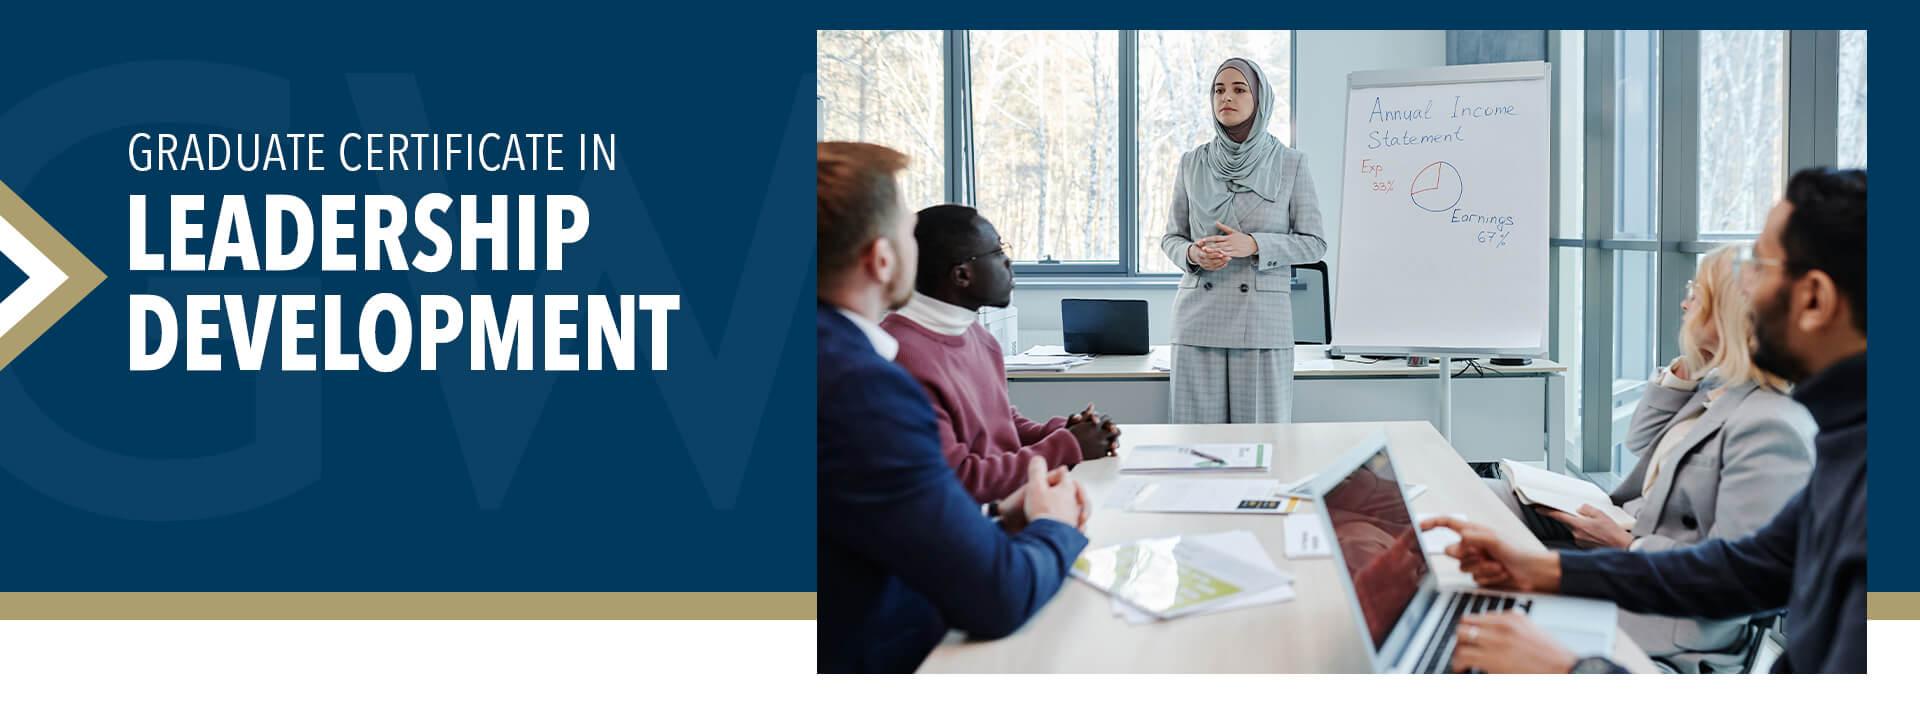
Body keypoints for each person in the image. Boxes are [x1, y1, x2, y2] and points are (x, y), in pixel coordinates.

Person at [1424, 167, 1866, 674]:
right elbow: (1740, 571)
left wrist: (1572, 673)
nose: (1744, 288)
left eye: (1759, 266)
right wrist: (1541, 569)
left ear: (1814, 299)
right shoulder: (1847, 440)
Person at [816, 142, 1092, 674]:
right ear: (882, 259)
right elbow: (999, 595)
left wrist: (989, 523)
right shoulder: (861, 390)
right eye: (908, 232)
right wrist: (1055, 524)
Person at [1483, 245, 1815, 670]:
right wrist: (1688, 367)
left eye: (1696, 293)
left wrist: (1627, 544)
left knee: (1485, 604)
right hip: (1630, 538)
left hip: (1668, 619)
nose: (1684, 304)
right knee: (1480, 500)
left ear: (1727, 313)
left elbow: (1734, 575)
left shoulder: (1771, 424)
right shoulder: (1721, 386)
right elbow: (1640, 439)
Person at [882, 204, 1122, 503]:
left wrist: (1064, 432)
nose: (1009, 262)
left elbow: (1002, 426)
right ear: (962, 275)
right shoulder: (899, 357)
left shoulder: (978, 337)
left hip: (999, 511)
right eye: (997, 252)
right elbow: (960, 479)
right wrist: (1067, 446)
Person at [1159, 57, 1327, 424]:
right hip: (1197, 321)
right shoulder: (1192, 162)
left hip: (1262, 324)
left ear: (1260, 99)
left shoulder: (1290, 164)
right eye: (1218, 90)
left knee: (1260, 445)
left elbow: (1314, 242)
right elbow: (1171, 237)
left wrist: (1255, 245)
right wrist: (1192, 254)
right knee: (1196, 447)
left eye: (1239, 89)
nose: (1226, 98)